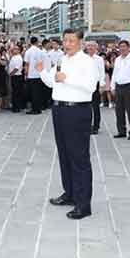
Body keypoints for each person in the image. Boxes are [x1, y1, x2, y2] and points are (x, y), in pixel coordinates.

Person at [38, 28, 97, 220]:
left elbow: (90, 86)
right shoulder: (62, 60)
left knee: (79, 157)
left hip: (77, 111)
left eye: (72, 41)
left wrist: (67, 79)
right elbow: (54, 82)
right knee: (64, 154)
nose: (67, 44)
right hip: (59, 110)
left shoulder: (87, 62)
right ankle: (70, 193)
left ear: (80, 42)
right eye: (65, 40)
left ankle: (83, 204)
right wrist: (42, 73)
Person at [110, 40, 130, 139]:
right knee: (119, 110)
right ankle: (121, 131)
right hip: (119, 87)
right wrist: (112, 87)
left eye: (124, 46)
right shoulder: (117, 59)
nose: (122, 48)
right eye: (120, 47)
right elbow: (114, 74)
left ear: (128, 47)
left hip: (129, 86)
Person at [87, 42, 105, 135]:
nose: (90, 48)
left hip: (96, 85)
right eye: (89, 46)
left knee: (95, 107)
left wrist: (102, 85)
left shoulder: (99, 59)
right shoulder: (83, 59)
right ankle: (87, 125)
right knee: (86, 107)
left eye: (92, 46)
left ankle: (96, 126)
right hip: (86, 85)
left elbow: (102, 72)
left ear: (96, 48)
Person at [24, 37, 44, 114]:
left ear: (30, 42)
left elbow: (26, 64)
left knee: (32, 93)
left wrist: (26, 74)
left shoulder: (28, 51)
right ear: (36, 42)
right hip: (39, 74)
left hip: (31, 75)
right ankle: (38, 108)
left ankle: (34, 109)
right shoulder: (40, 51)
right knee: (38, 92)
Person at [8, 45, 25, 113]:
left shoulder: (19, 58)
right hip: (14, 76)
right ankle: (14, 106)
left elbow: (16, 68)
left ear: (19, 50)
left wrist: (10, 74)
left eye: (16, 49)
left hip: (17, 76)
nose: (14, 50)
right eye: (14, 49)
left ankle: (17, 107)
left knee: (17, 92)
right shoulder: (13, 57)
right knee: (14, 92)